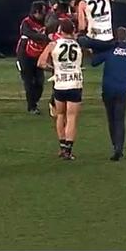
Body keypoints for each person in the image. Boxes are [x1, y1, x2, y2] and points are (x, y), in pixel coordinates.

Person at [84, 27, 126, 161]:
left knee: (111, 118)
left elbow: (95, 62)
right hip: (122, 90)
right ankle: (119, 148)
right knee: (120, 120)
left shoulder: (109, 50)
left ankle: (115, 145)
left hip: (108, 89)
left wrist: (91, 52)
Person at [38, 17, 83, 161]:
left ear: (60, 30)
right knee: (72, 118)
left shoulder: (53, 45)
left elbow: (41, 63)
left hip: (60, 84)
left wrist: (54, 69)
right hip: (75, 83)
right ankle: (68, 151)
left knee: (60, 115)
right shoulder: (78, 45)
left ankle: (62, 146)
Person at [14, 1, 52, 114]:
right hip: (25, 56)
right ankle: (32, 106)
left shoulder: (46, 22)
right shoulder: (26, 22)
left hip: (38, 56)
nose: (44, 15)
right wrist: (45, 37)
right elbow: (29, 34)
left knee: (40, 82)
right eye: (42, 12)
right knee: (29, 82)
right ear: (36, 12)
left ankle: (34, 101)